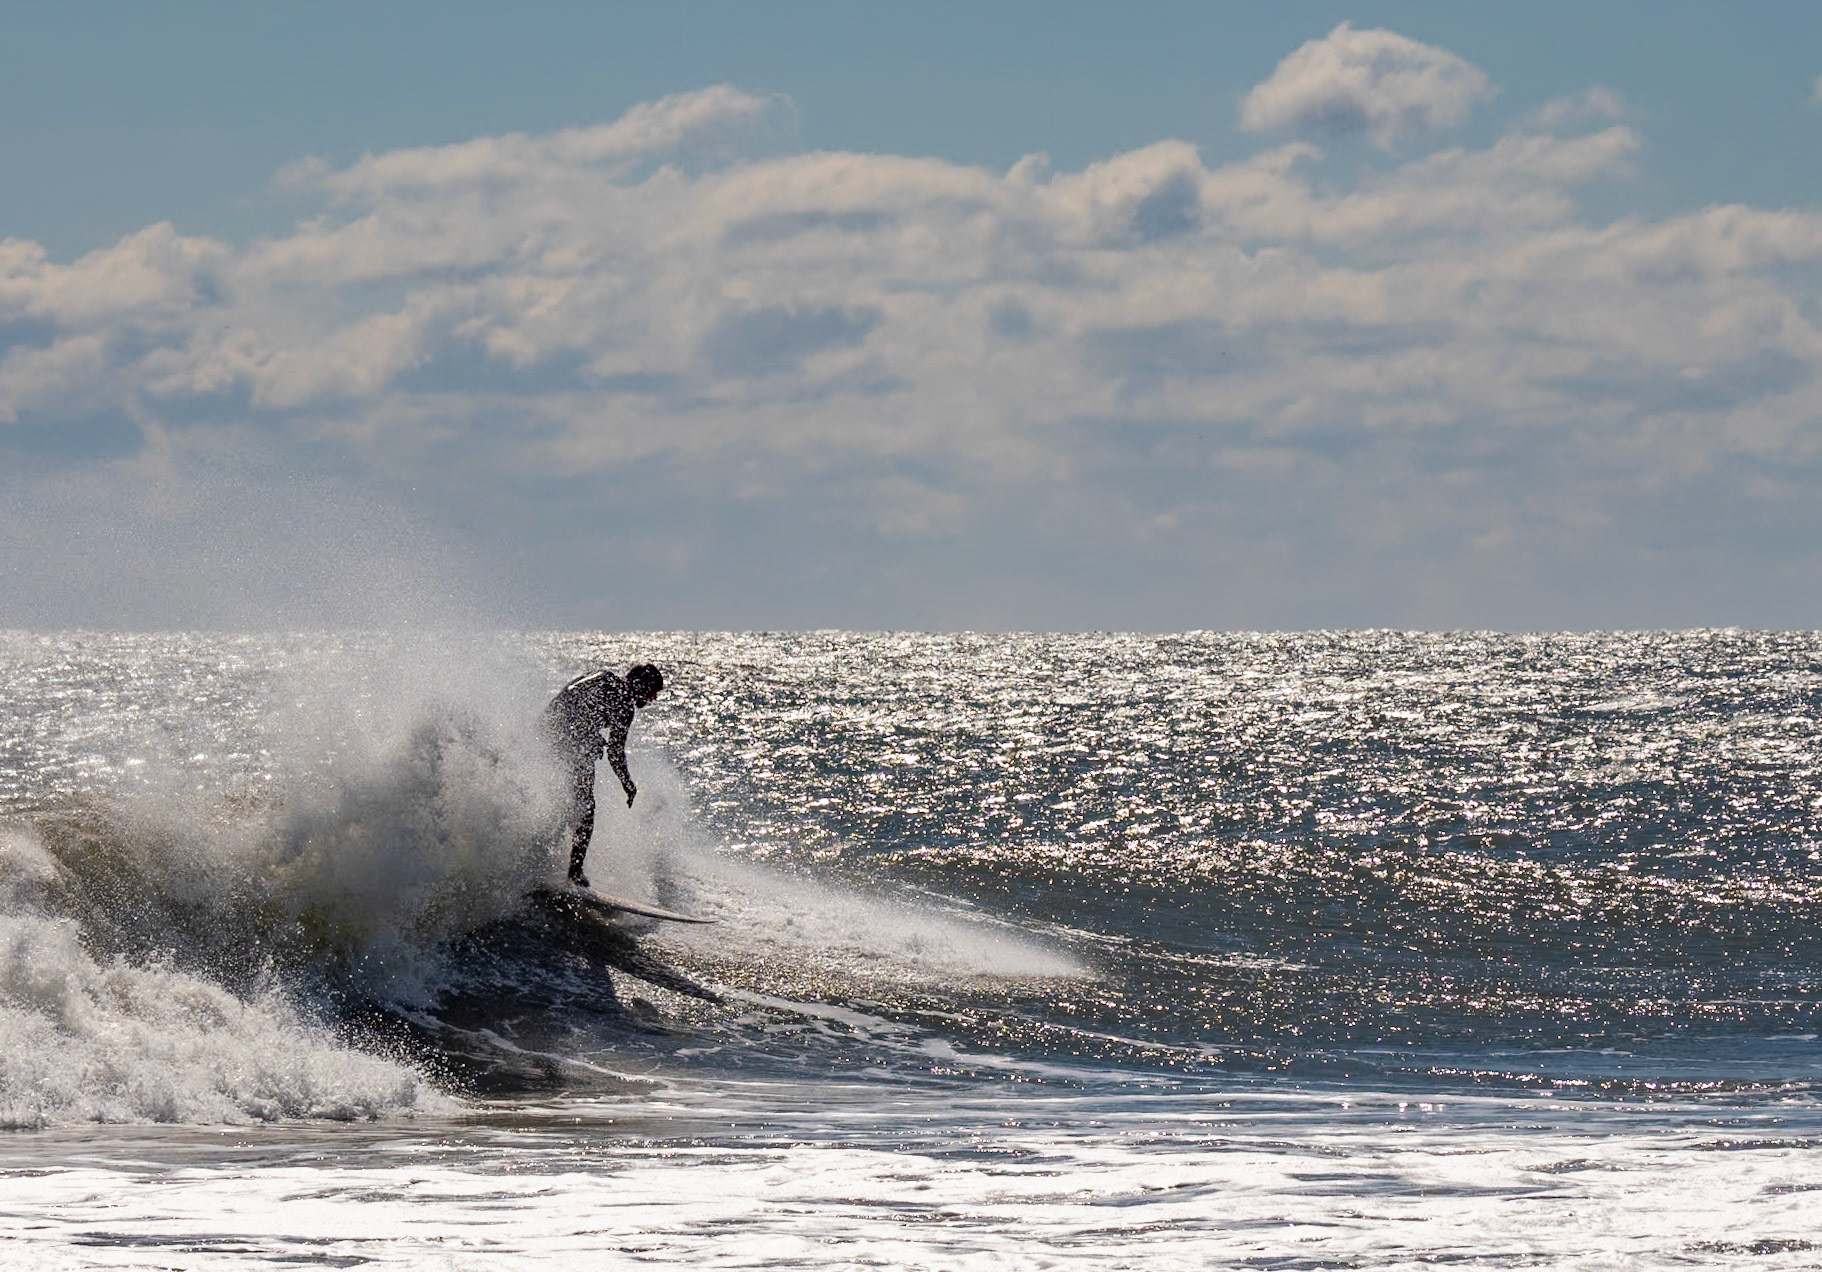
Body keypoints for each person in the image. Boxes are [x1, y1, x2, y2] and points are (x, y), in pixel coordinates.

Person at [543, 662, 664, 888]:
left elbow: (566, 698)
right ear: (640, 685)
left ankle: (539, 855)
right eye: (651, 692)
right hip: (569, 740)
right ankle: (574, 873)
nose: (652, 699)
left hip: (546, 730)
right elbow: (616, 753)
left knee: (563, 802)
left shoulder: (600, 676)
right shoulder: (624, 702)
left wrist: (588, 732)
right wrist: (628, 784)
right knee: (585, 810)